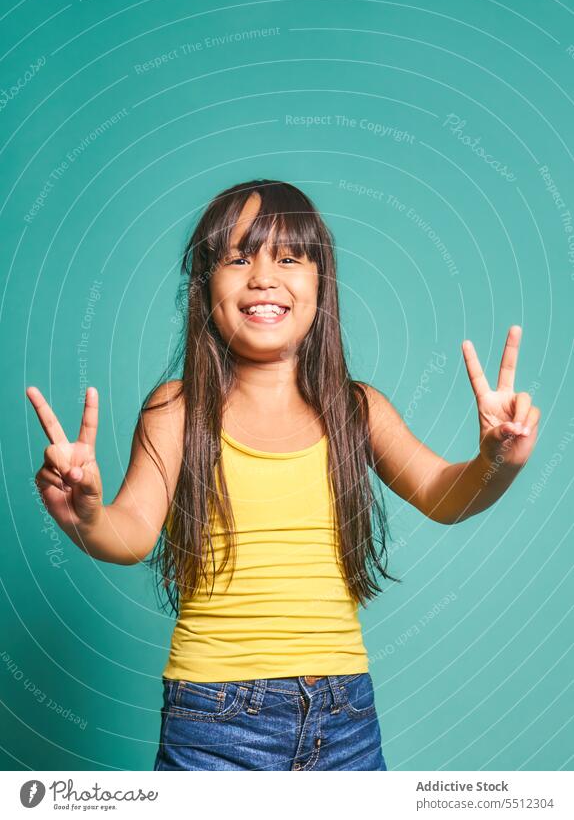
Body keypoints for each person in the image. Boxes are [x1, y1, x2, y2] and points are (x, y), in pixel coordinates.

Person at [27, 179, 540, 771]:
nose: (264, 277)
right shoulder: (178, 408)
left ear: (321, 284)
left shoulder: (356, 408)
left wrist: (497, 461)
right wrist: (88, 516)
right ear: (204, 288)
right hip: (212, 717)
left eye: (289, 258)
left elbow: (442, 495)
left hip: (344, 714)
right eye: (238, 258)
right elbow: (133, 532)